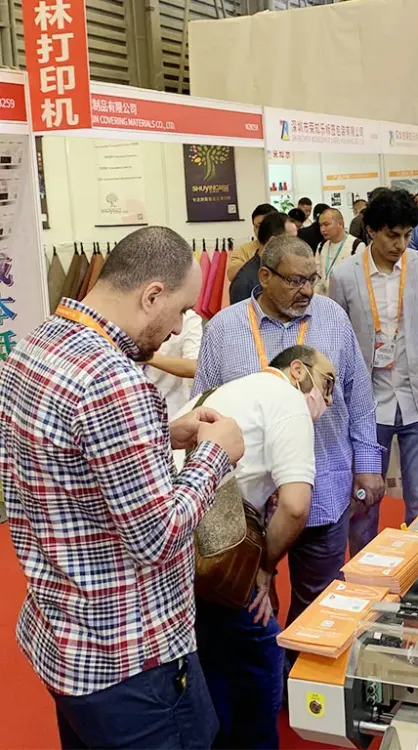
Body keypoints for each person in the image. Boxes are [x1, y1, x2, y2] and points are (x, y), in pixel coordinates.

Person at [0, 226, 245, 749]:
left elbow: (66, 458)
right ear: (151, 295)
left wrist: (159, 434)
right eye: (180, 310)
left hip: (65, 641)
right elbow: (157, 537)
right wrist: (214, 455)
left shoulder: (37, 344)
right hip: (132, 658)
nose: (177, 328)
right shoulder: (113, 379)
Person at [194, 234, 383, 656]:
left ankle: (305, 678)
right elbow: (203, 409)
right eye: (295, 281)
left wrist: (369, 463)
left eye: (312, 279)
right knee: (254, 604)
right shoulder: (224, 329)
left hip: (323, 487)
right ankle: (270, 680)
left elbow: (359, 396)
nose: (306, 291)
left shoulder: (332, 318)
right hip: (248, 504)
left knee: (318, 601)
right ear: (264, 277)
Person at [184, 344, 333, 750]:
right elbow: (296, 506)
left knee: (212, 656)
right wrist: (264, 568)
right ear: (297, 370)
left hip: (184, 548)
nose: (329, 399)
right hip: (219, 550)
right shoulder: (287, 399)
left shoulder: (232, 389)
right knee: (261, 651)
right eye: (327, 383)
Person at [328, 189, 418, 553]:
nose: (401, 244)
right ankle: (364, 571)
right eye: (392, 235)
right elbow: (337, 339)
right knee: (363, 501)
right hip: (367, 403)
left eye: (407, 235)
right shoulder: (344, 276)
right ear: (371, 231)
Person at [230, 211, 299, 305]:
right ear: (273, 241)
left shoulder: (287, 269)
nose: (297, 246)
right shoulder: (245, 281)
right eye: (291, 240)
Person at [146, 308, 203, 419]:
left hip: (168, 406)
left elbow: (194, 367)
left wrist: (148, 357)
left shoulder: (189, 319)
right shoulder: (131, 311)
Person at [316, 207, 365, 294]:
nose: (322, 229)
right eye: (320, 225)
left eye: (326, 224)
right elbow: (318, 274)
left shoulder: (356, 245)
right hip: (324, 296)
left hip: (347, 296)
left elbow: (361, 279)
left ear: (340, 224)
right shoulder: (321, 246)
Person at [229, 204, 277, 281]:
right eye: (257, 226)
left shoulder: (288, 247)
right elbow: (232, 274)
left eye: (265, 226)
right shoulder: (243, 250)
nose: (261, 230)